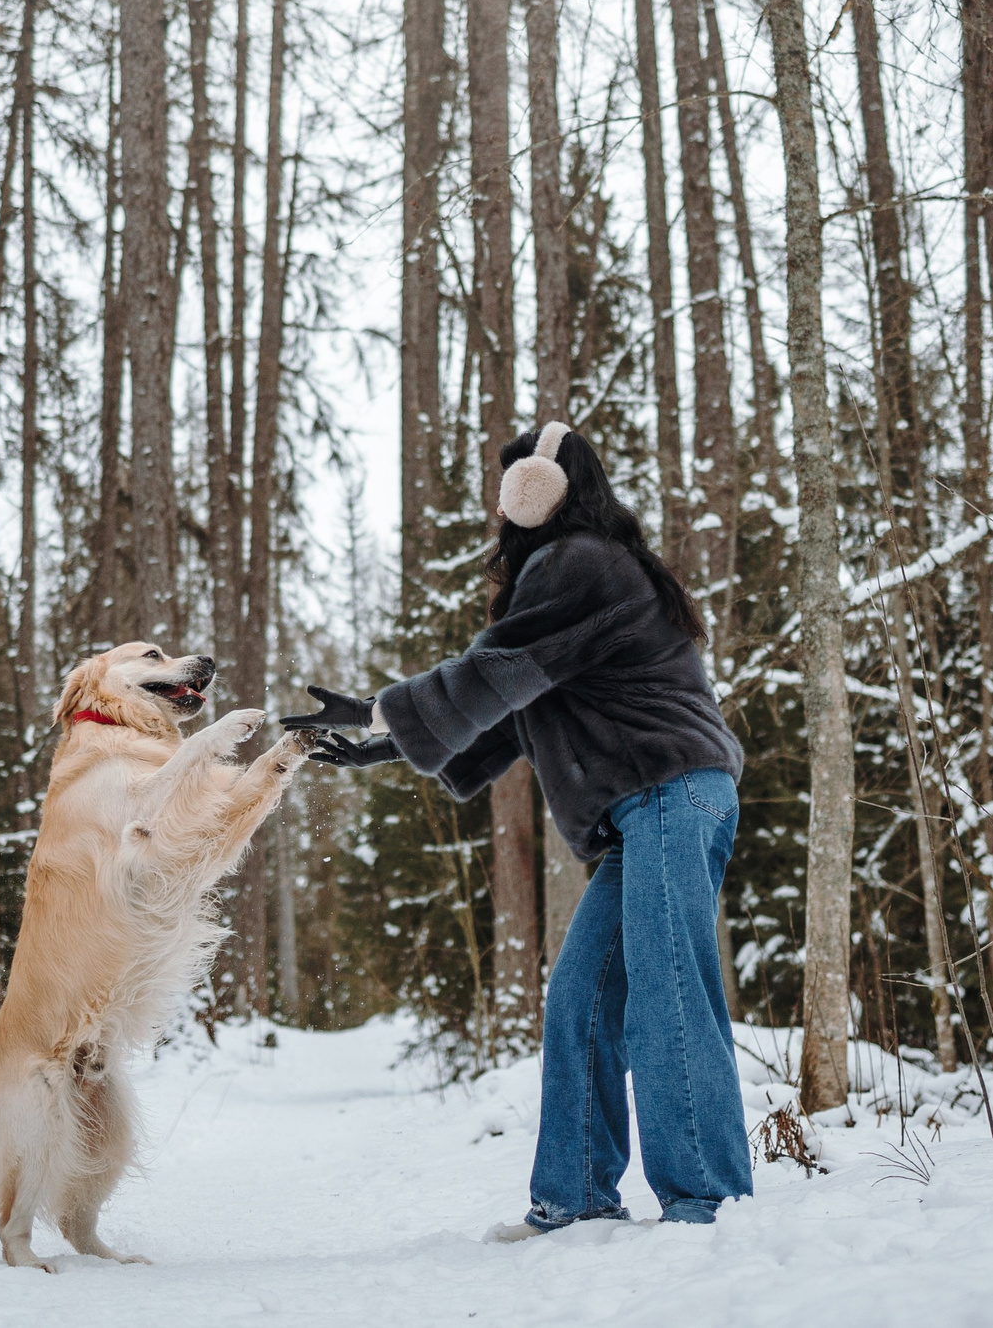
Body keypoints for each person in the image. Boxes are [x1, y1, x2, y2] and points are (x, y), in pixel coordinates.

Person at [283, 422, 752, 1236]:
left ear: (551, 486)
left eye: (521, 479)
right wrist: (384, 746)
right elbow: (507, 709)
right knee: (581, 994)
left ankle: (706, 1200)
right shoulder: (569, 579)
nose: (508, 498)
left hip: (673, 790)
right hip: (652, 805)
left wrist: (377, 707)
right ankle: (574, 1195)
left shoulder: (584, 565)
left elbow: (493, 672)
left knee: (668, 989)